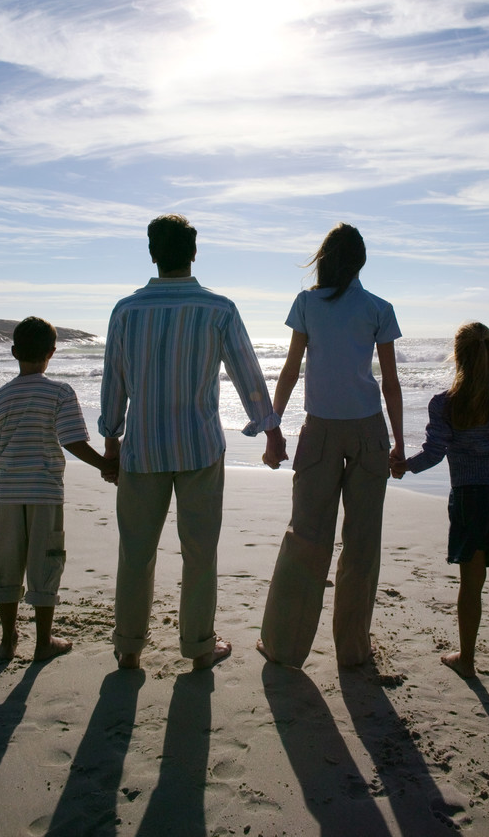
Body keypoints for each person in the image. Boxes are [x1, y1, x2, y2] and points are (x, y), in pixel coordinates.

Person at [99, 213, 285, 671]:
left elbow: (114, 381)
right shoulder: (217, 308)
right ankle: (199, 647)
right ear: (194, 252)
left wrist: (111, 438)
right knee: (200, 552)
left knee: (135, 552)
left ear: (152, 254)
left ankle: (129, 648)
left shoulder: (126, 310)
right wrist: (270, 430)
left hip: (143, 448)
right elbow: (247, 372)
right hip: (199, 446)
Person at [257, 223, 404, 670]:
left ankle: (284, 647)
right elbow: (390, 383)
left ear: (324, 259)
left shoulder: (307, 304)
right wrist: (400, 442)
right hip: (368, 431)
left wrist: (273, 427)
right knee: (362, 544)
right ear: (361, 262)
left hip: (320, 430)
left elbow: (290, 369)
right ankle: (353, 651)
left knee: (306, 537)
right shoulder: (378, 307)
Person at [391, 322, 489, 679]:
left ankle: (468, 660)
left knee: (471, 585)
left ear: (457, 358)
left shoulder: (445, 404)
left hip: (469, 500)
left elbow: (434, 452)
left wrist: (404, 467)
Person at [0, 316, 115, 662]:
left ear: (14, 352)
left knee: (5, 563)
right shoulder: (59, 392)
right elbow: (72, 440)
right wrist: (106, 466)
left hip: (8, 494)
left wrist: (6, 484)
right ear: (52, 353)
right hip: (44, 491)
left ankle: (8, 640)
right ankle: (43, 642)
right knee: (46, 561)